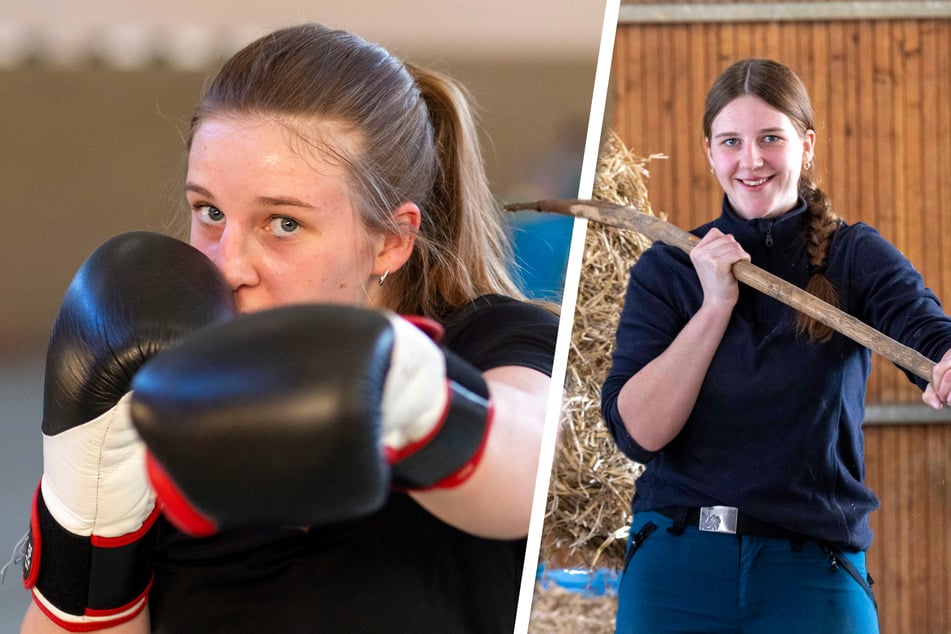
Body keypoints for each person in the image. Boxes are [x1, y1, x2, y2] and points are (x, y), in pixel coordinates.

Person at [21, 23, 558, 633]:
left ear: (391, 239)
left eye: (283, 223)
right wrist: (86, 523)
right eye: (211, 212)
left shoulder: (493, 342)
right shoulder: (157, 398)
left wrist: (408, 397)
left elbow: (531, 457)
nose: (228, 265)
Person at [601, 57, 951, 633]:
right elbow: (638, 434)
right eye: (731, 141)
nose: (751, 160)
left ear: (806, 145)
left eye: (771, 138)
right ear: (710, 152)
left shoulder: (853, 256)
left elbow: (927, 333)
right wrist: (715, 305)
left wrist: (943, 362)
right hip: (678, 562)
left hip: (814, 566)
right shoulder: (668, 268)